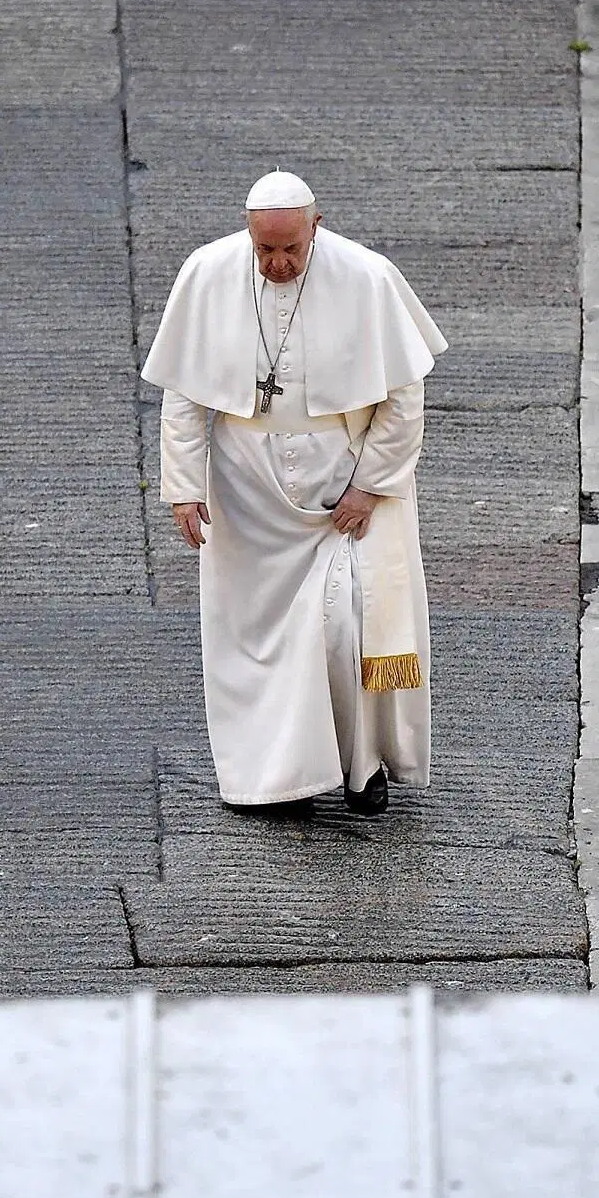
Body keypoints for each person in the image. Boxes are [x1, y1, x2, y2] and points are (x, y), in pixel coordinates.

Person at [144, 171, 446, 815]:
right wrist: (183, 485)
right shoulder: (206, 272)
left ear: (317, 225)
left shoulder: (366, 278)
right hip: (246, 490)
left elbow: (404, 396)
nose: (277, 264)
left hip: (341, 484)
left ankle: (361, 767)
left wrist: (370, 485)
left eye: (290, 250)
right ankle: (278, 780)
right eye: (264, 251)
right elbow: (184, 394)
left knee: (347, 626)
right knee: (257, 640)